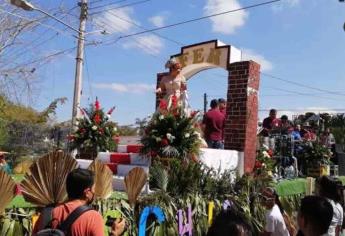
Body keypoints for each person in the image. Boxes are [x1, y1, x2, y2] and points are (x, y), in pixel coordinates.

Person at [33, 168, 126, 236]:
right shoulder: (93, 217)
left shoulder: (47, 212)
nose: (94, 192)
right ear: (87, 193)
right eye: (93, 188)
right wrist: (115, 233)